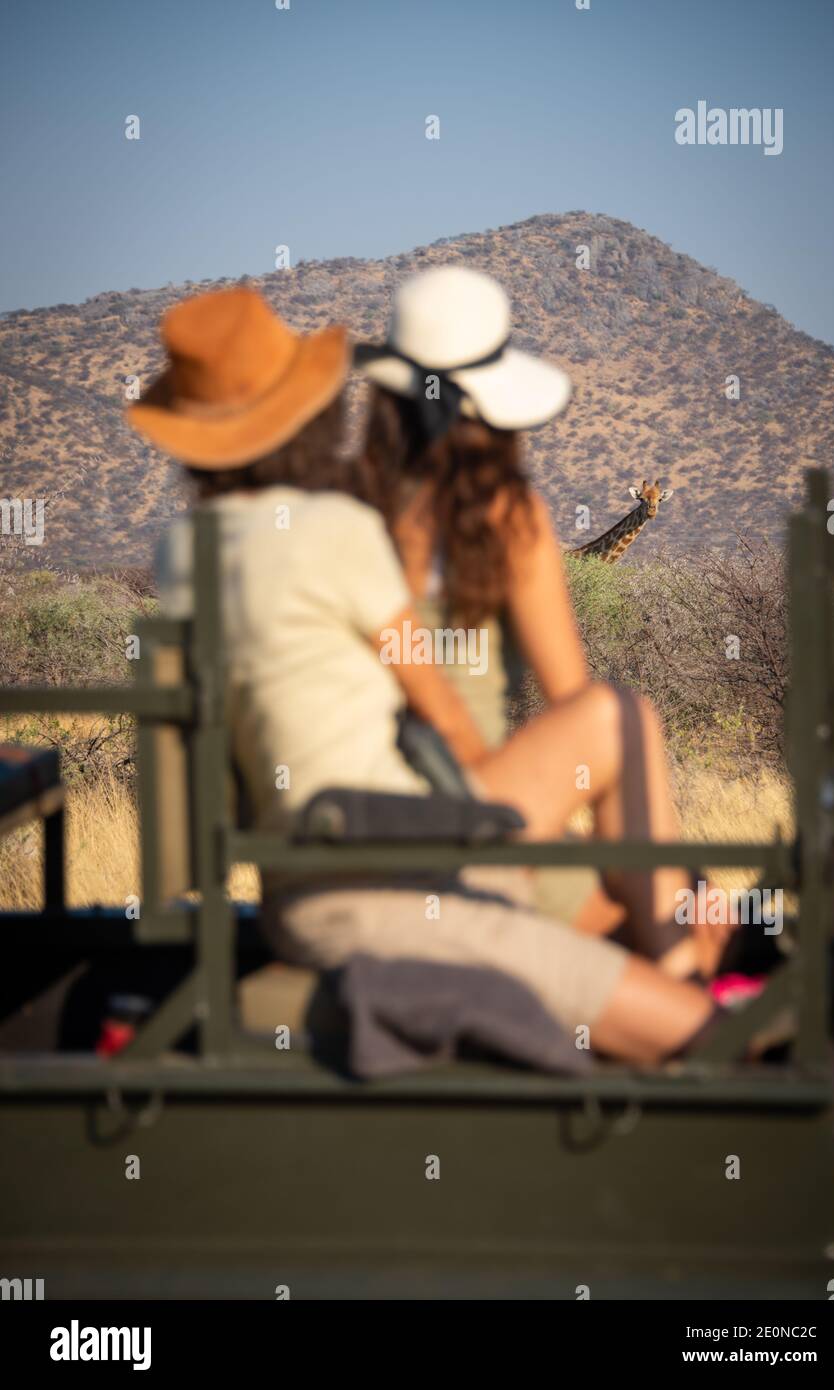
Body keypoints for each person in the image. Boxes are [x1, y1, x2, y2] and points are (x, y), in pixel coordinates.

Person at [128, 284, 724, 1064]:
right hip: (418, 831)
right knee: (619, 724)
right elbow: (455, 711)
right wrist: (518, 824)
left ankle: (676, 959)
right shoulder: (401, 527)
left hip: (330, 845)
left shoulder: (209, 545)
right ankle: (687, 966)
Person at [354, 265, 740, 982]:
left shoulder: (338, 511)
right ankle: (685, 961)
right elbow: (577, 707)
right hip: (474, 823)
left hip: (344, 824)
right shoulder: (509, 518)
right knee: (616, 717)